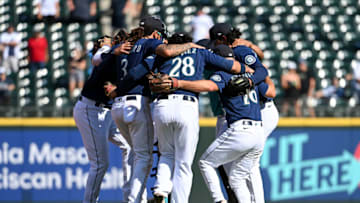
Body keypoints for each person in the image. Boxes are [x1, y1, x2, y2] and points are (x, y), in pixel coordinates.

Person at [106, 16, 204, 203]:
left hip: (120, 104)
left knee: (136, 154)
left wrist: (117, 88)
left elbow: (106, 63)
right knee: (148, 156)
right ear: (157, 34)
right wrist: (190, 46)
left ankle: (149, 194)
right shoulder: (151, 46)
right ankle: (138, 199)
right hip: (139, 105)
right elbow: (150, 64)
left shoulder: (127, 47)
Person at [162, 45, 276, 202]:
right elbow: (270, 92)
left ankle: (219, 200)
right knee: (236, 178)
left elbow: (209, 86)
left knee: (205, 163)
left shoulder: (222, 74)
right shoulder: (250, 75)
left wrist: (179, 83)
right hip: (258, 133)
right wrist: (256, 77)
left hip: (240, 130)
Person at [149, 33, 244, 203]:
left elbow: (145, 73)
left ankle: (160, 189)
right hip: (187, 104)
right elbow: (232, 66)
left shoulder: (163, 54)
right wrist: (250, 71)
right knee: (183, 164)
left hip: (163, 104)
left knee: (166, 154)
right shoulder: (199, 52)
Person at [73, 35, 133, 203]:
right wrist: (111, 48)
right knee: (100, 164)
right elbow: (98, 58)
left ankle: (130, 198)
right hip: (91, 109)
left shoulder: (120, 57)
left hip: (107, 111)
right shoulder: (106, 53)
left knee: (129, 145)